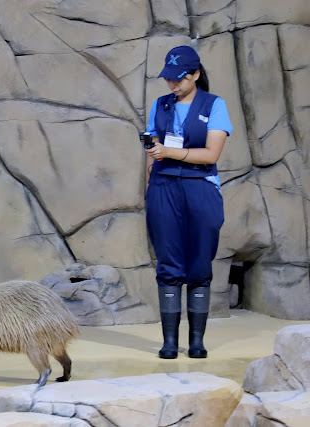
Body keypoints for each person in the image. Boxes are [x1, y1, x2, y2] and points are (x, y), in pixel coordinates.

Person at [144, 45, 232, 359]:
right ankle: (169, 341)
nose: (173, 84)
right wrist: (150, 189)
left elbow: (211, 154)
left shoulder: (214, 105)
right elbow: (152, 150)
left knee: (198, 264)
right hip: (163, 187)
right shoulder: (160, 105)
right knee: (168, 262)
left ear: (195, 74)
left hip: (201, 188)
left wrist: (170, 152)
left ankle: (197, 341)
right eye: (168, 79)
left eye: (179, 78)